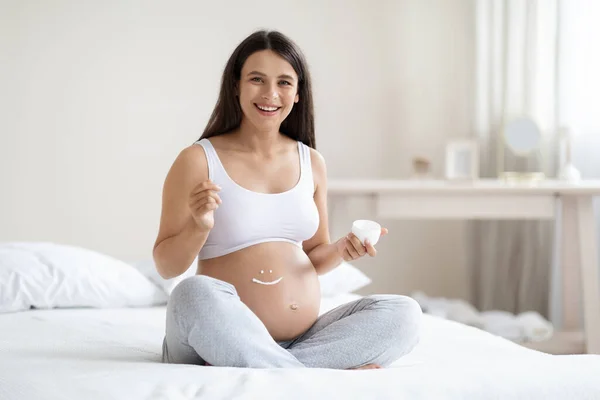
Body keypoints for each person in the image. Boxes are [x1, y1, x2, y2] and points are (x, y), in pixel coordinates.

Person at [152, 30, 421, 369]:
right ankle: (308, 370)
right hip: (213, 335)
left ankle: (282, 367)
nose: (270, 94)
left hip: (301, 339)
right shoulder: (198, 160)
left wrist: (341, 250)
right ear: (235, 85)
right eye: (256, 79)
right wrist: (199, 228)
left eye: (284, 82)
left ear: (297, 94)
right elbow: (166, 266)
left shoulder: (312, 162)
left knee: (404, 313)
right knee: (193, 294)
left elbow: (314, 256)